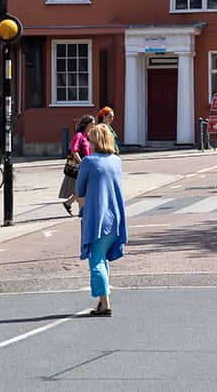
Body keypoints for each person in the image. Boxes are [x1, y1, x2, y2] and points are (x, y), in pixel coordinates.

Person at [74, 120, 126, 317]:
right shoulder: (116, 161)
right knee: (102, 258)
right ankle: (103, 301)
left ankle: (105, 305)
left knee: (96, 260)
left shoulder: (89, 162)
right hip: (116, 217)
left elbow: (80, 188)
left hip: (97, 217)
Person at [60, 114, 94, 215]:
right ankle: (81, 210)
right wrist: (81, 162)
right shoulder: (79, 136)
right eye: (92, 124)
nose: (94, 126)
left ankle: (69, 203)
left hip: (87, 165)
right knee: (83, 188)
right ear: (86, 124)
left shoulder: (88, 136)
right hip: (80, 167)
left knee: (82, 188)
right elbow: (74, 151)